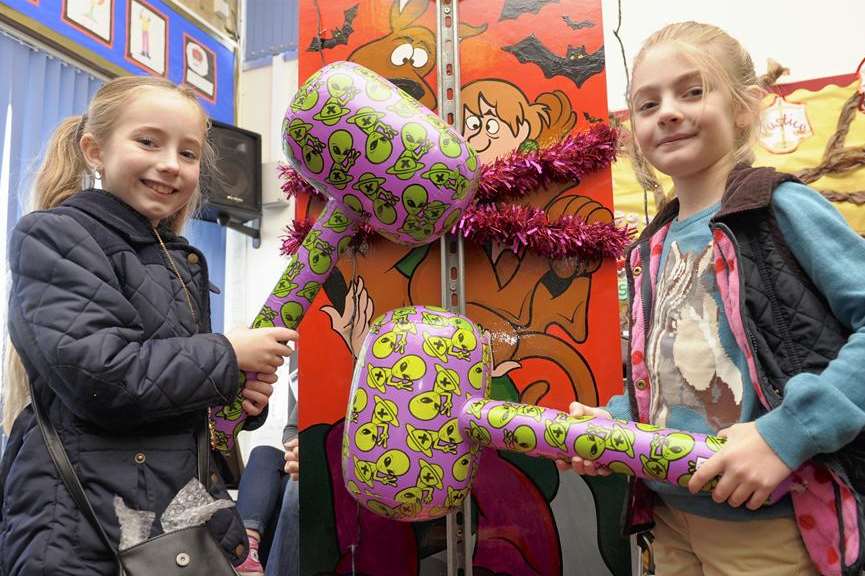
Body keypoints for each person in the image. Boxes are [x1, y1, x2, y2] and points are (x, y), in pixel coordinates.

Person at [560, 22, 865, 576]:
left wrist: (785, 436)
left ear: (745, 107)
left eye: (693, 91)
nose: (668, 112)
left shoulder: (779, 209)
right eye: (647, 103)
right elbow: (675, 379)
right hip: (672, 516)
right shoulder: (652, 245)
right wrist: (613, 426)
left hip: (770, 524)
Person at [0, 76, 296, 575]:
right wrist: (226, 354)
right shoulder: (54, 236)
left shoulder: (178, 260)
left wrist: (236, 397)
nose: (169, 164)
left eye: (188, 153)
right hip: (81, 529)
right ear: (95, 149)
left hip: (163, 521)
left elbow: (168, 393)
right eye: (148, 142)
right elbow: (103, 376)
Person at [235, 360, 300, 576]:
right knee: (263, 453)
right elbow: (291, 429)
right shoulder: (324, 384)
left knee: (297, 485)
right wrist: (299, 445)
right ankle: (246, 551)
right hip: (300, 456)